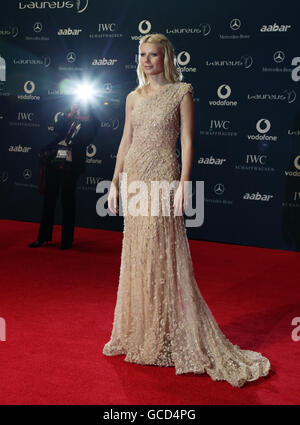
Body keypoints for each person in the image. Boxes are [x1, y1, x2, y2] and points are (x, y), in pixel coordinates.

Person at [102, 33, 271, 387]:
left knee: (160, 256)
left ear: (166, 58)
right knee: (138, 256)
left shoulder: (182, 92)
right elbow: (125, 141)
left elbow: (188, 140)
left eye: (153, 55)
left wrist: (183, 183)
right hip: (135, 180)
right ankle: (142, 333)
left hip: (163, 178)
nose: (147, 61)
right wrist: (115, 181)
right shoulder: (133, 97)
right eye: (142, 55)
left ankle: (161, 333)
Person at [29, 103, 97, 250]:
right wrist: (70, 114)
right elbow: (57, 130)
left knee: (67, 201)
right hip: (55, 160)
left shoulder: (92, 121)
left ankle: (66, 240)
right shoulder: (68, 116)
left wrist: (84, 117)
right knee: (49, 199)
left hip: (72, 165)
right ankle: (43, 237)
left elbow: (87, 138)